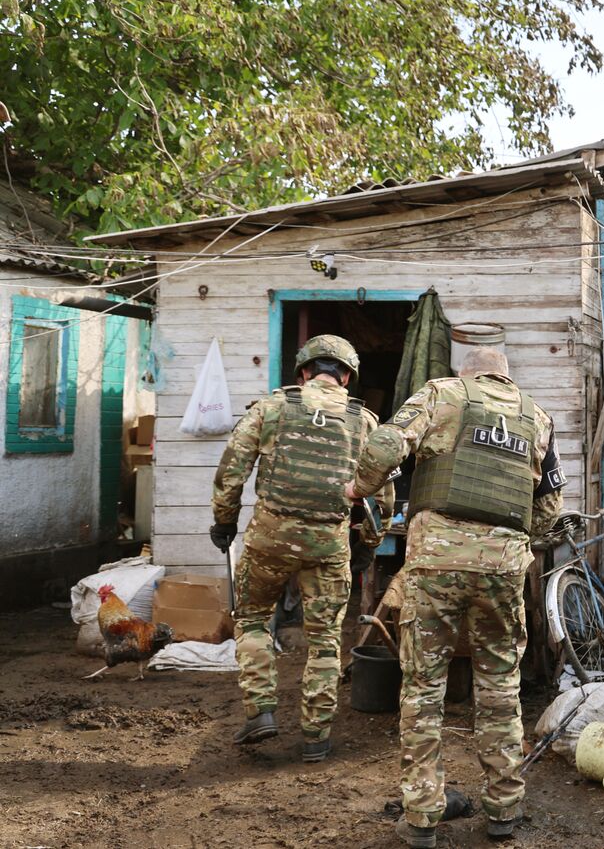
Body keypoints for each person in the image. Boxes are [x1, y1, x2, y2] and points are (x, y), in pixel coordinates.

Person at [347, 334, 565, 849]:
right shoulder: (538, 417)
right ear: (507, 380)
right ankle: (503, 811)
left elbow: (383, 445)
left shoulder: (442, 394)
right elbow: (550, 511)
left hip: (436, 565)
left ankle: (422, 817)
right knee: (498, 686)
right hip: (504, 570)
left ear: (469, 375)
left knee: (424, 687)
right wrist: (509, 543)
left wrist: (359, 488)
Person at [209, 334, 393, 761]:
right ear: (346, 376)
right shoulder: (364, 422)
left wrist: (224, 523)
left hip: (269, 538)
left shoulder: (271, 408)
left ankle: (261, 712)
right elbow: (381, 494)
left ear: (305, 372)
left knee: (253, 620)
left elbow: (232, 471)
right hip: (328, 543)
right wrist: (368, 544)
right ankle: (316, 737)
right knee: (326, 639)